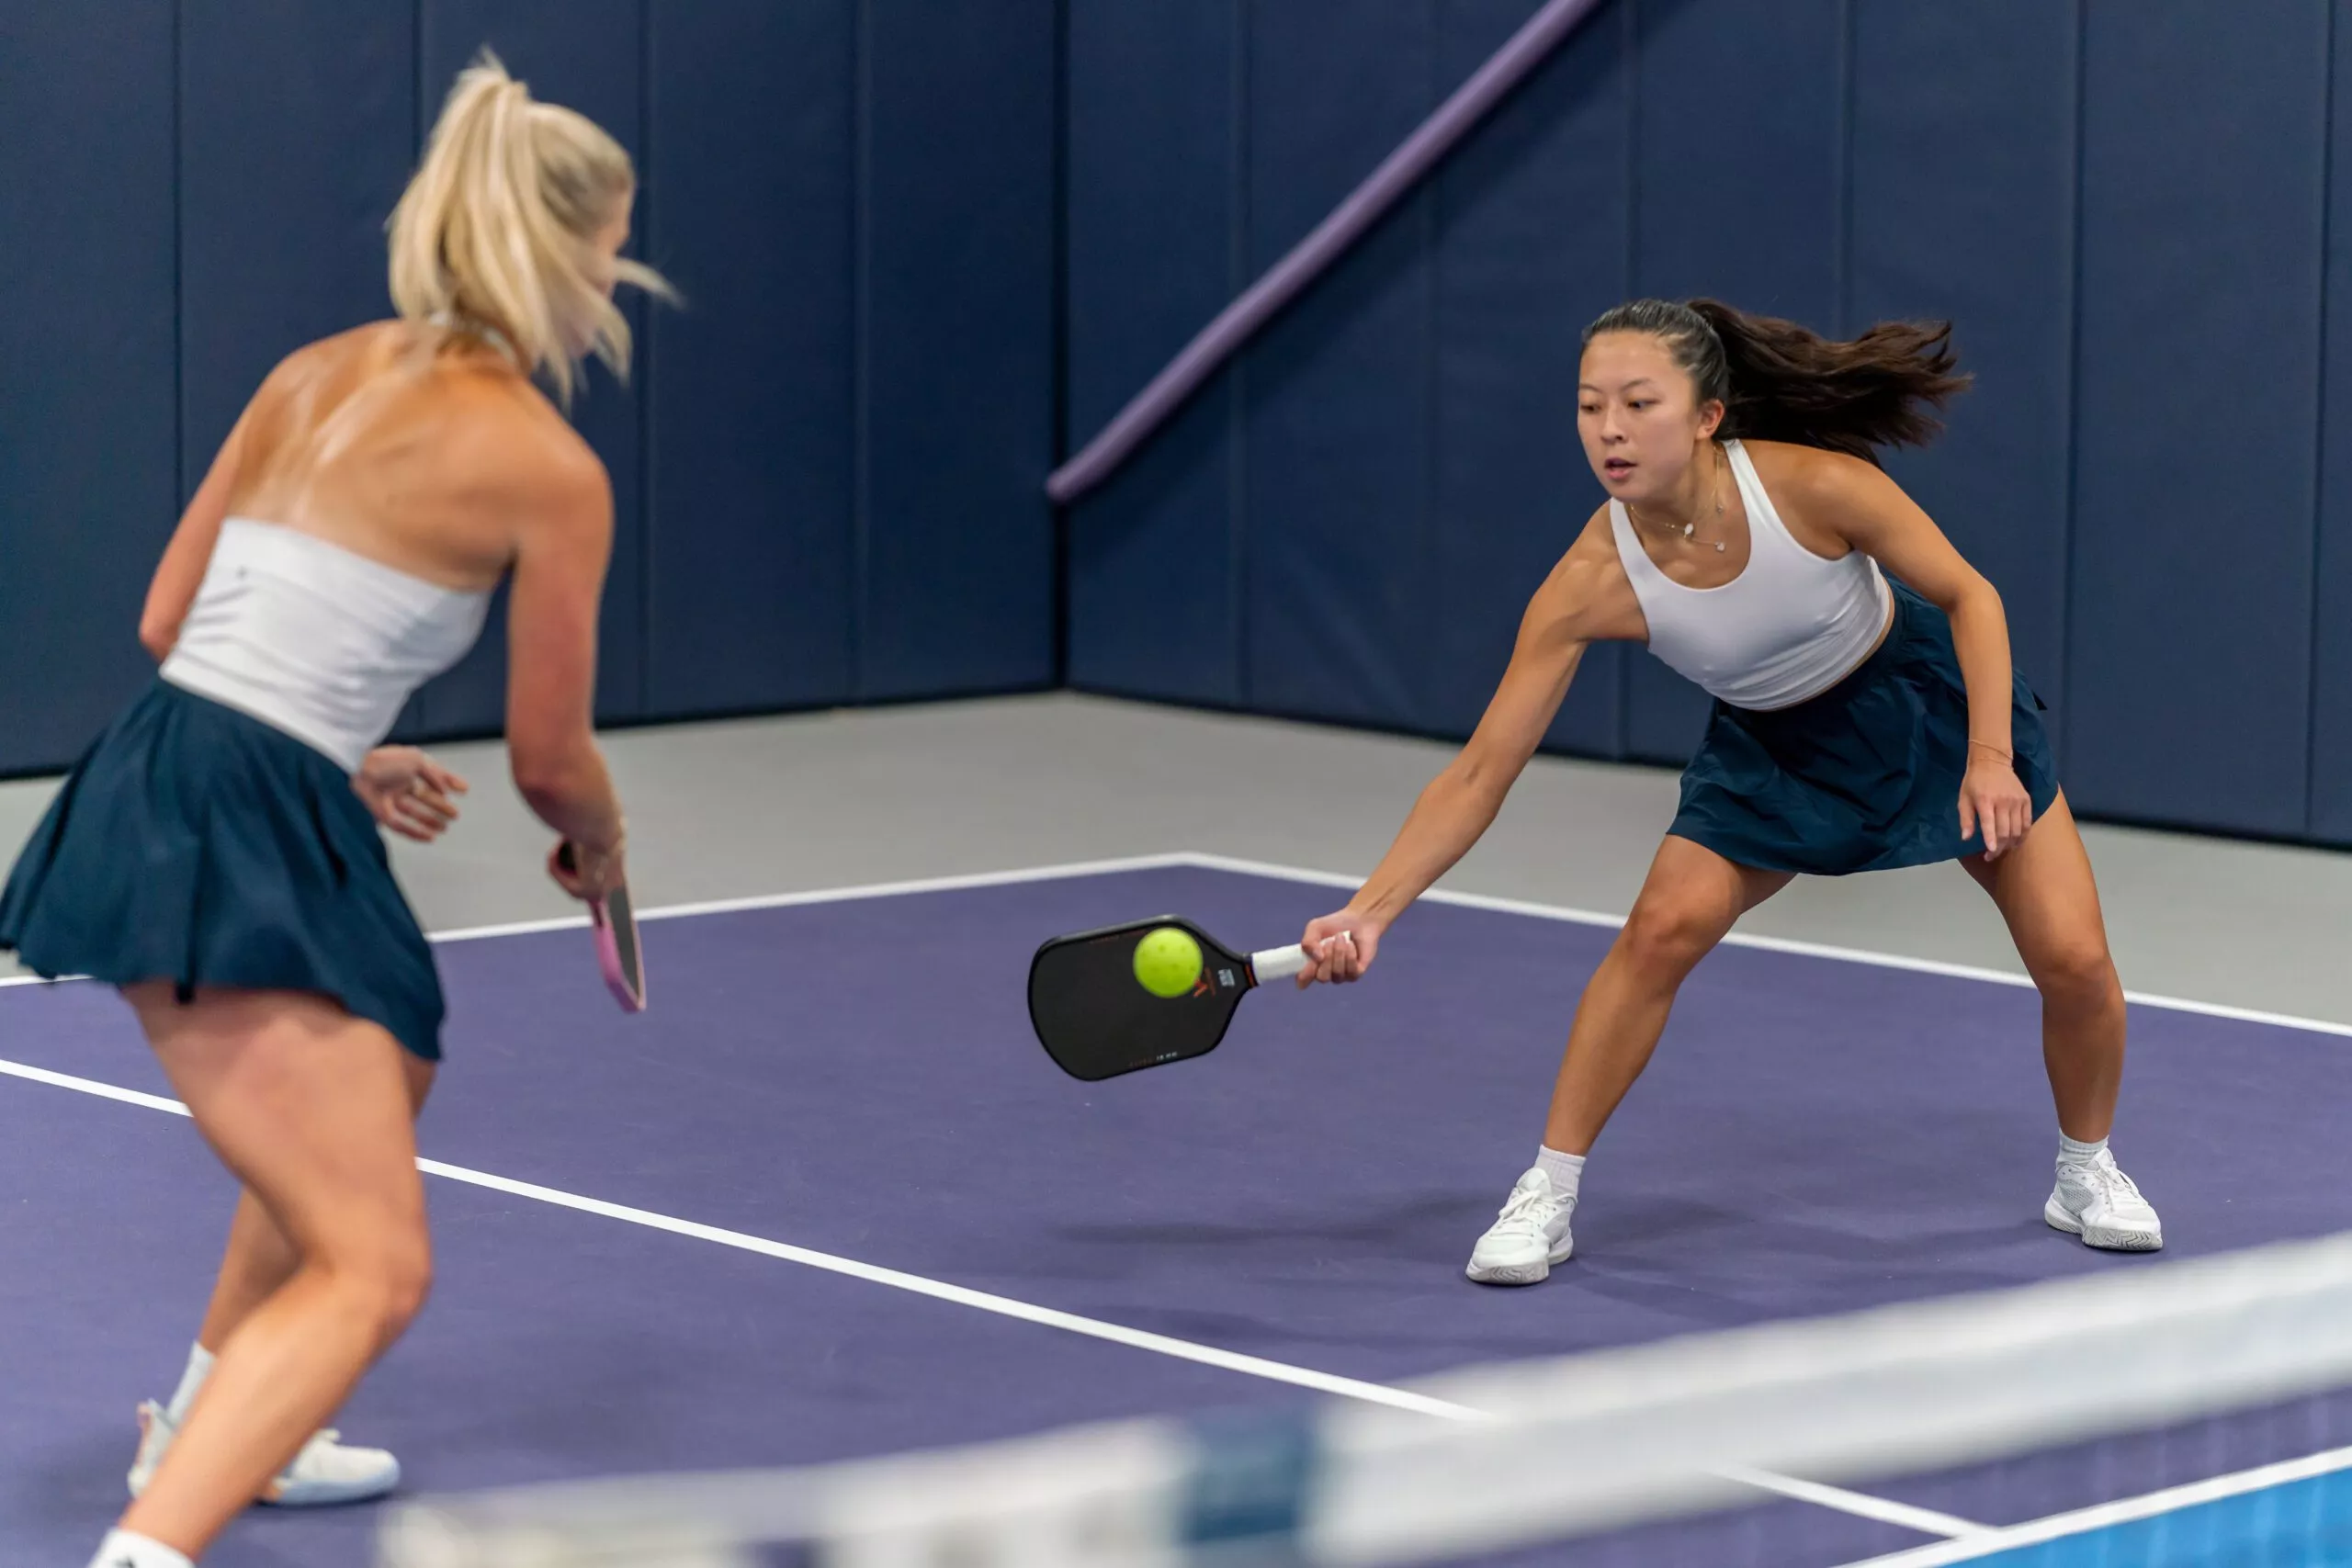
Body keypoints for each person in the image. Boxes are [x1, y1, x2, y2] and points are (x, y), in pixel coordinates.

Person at [0, 53, 671, 1566]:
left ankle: (220, 1419)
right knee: (375, 1265)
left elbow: (178, 616)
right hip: (238, 810)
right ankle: (144, 1549)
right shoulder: (552, 468)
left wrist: (339, 750)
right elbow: (551, 758)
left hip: (189, 763)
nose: (619, 271)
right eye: (615, 243)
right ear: (569, 253)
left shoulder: (315, 367)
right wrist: (606, 842)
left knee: (381, 1085)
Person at [1292, 298, 2160, 1286]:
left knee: (2075, 959)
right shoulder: (1589, 581)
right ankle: (1549, 1192)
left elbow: (1972, 595)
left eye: (1636, 403)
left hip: (1931, 712)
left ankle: (2084, 1170)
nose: (1608, 430)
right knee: (1659, 931)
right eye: (1588, 407)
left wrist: (1991, 754)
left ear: (1706, 415)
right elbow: (1480, 771)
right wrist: (1371, 910)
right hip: (1772, 753)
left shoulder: (1815, 487)